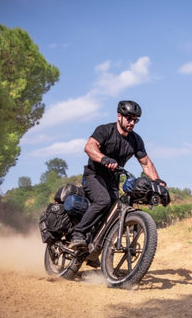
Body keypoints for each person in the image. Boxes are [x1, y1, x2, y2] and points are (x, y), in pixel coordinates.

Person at [69, 100, 165, 249]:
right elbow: (89, 147)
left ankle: (96, 247)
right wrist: (103, 158)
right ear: (119, 115)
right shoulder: (105, 130)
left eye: (135, 120)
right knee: (103, 201)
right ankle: (78, 233)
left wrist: (158, 181)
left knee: (116, 211)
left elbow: (145, 163)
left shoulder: (135, 140)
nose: (132, 123)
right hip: (93, 175)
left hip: (112, 181)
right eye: (129, 118)